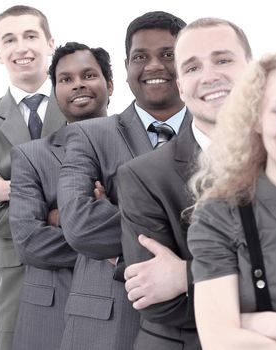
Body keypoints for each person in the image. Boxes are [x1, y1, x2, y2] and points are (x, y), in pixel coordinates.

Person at [117, 18, 252, 350]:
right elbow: (158, 301)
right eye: (191, 68)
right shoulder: (142, 177)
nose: (208, 76)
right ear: (180, 85)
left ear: (252, 70)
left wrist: (186, 276)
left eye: (222, 60)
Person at [57, 11, 188, 350]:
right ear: (127, 67)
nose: (154, 66)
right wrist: (188, 241)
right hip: (106, 326)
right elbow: (80, 226)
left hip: (198, 321)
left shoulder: (218, 134)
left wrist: (119, 216)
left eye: (168, 55)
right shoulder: (89, 135)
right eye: (140, 57)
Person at [0, 5, 65, 350]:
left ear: (51, 42)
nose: (21, 47)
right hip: (18, 280)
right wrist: (61, 211)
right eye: (10, 40)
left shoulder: (81, 103)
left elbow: (97, 199)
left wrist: (9, 188)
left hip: (84, 270)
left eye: (31, 36)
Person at [9, 41, 113, 350]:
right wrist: (103, 240)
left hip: (122, 308)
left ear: (109, 83)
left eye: (88, 75)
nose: (77, 84)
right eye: (65, 79)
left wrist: (63, 220)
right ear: (56, 93)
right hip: (50, 317)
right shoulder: (30, 156)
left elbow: (149, 227)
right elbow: (29, 242)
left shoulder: (139, 147)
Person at [187, 52, 276, 349]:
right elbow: (220, 340)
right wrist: (227, 328)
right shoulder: (219, 214)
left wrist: (249, 322)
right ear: (257, 121)